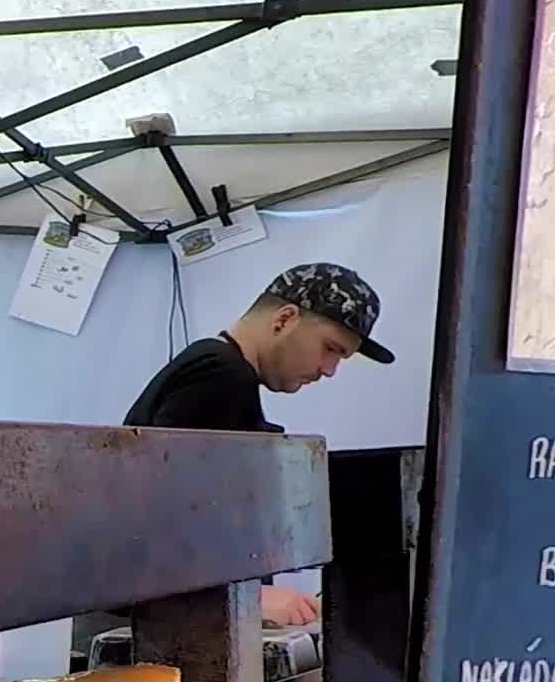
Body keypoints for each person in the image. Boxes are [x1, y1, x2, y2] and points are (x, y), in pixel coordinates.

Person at [123, 262, 392, 627]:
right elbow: (165, 514)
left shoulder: (220, 369)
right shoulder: (219, 374)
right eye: (330, 348)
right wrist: (247, 597)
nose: (329, 370)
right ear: (284, 319)